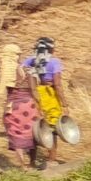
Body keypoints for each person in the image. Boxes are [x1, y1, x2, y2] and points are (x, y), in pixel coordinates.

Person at [23, 38, 67, 167]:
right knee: (52, 128)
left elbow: (23, 72)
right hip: (50, 95)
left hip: (35, 94)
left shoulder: (31, 60)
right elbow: (57, 85)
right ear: (50, 49)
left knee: (36, 128)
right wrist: (64, 104)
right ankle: (51, 160)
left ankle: (32, 162)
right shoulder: (54, 62)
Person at [0, 43, 36, 165]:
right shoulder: (25, 69)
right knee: (32, 132)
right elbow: (33, 88)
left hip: (14, 106)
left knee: (15, 132)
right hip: (29, 106)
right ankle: (32, 162)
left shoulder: (4, 70)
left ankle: (22, 165)